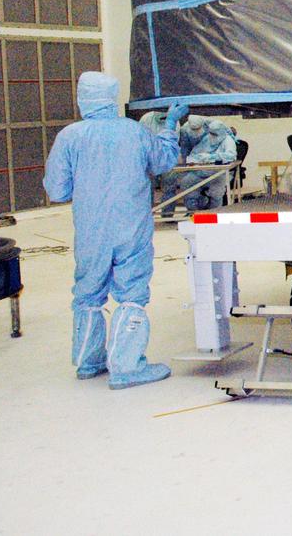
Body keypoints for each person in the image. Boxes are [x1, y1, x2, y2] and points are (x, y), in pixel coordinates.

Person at [43, 72, 186, 388]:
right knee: (132, 292)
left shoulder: (70, 136)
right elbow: (163, 160)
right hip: (130, 226)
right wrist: (171, 125)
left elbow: (57, 190)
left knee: (87, 293)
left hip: (91, 229)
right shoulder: (133, 132)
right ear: (112, 97)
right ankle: (126, 366)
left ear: (83, 99)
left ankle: (88, 361)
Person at [172, 119, 237, 212]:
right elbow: (194, 154)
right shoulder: (207, 138)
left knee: (216, 193)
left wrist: (212, 157)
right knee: (186, 183)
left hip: (217, 174)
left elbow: (231, 156)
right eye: (211, 133)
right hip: (200, 172)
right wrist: (194, 160)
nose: (212, 136)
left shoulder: (228, 140)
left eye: (215, 134)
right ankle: (193, 212)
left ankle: (214, 213)